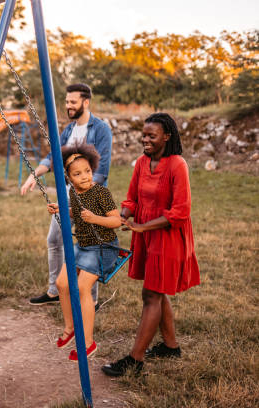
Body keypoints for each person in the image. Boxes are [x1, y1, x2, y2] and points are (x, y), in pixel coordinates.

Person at [102, 113, 200, 376]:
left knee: (151, 294)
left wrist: (142, 227)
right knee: (158, 289)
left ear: (166, 136)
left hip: (168, 237)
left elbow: (180, 212)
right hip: (146, 236)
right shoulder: (142, 163)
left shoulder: (177, 165)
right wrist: (121, 217)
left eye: (151, 136)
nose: (144, 139)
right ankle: (170, 346)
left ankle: (135, 359)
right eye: (143, 135)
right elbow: (132, 198)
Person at [21, 83, 112, 310]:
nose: (68, 106)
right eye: (67, 101)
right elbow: (53, 157)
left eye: (73, 102)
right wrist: (35, 175)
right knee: (55, 240)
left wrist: (83, 196)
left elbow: (101, 171)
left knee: (88, 244)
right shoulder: (68, 131)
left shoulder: (100, 129)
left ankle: (92, 299)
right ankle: (54, 290)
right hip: (67, 196)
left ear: (86, 102)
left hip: (89, 197)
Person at [48, 144, 121, 361]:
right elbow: (78, 212)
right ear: (68, 177)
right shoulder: (72, 192)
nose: (84, 177)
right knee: (61, 284)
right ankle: (70, 328)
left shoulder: (101, 192)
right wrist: (62, 209)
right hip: (82, 246)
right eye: (77, 174)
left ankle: (88, 343)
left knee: (81, 287)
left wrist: (95, 219)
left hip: (103, 248)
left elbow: (116, 220)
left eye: (87, 171)